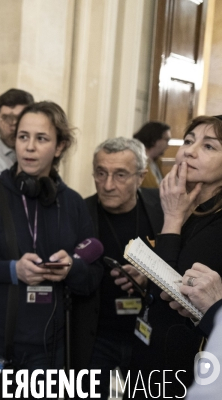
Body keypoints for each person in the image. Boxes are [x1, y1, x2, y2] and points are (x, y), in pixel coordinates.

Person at [0, 101, 101, 386]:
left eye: (41, 138)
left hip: (49, 353)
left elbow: (93, 277)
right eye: (23, 137)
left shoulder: (73, 204)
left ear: (59, 146)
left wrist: (71, 270)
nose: (29, 147)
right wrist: (12, 270)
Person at [135, 115, 222, 398]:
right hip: (154, 354)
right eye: (188, 141)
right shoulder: (190, 205)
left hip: (188, 369)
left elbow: (174, 293)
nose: (189, 151)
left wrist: (171, 218)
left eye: (209, 146)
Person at [71, 137, 163, 398]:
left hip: (147, 334)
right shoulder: (79, 213)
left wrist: (150, 277)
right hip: (95, 337)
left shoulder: (162, 211)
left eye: (120, 174)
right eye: (101, 173)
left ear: (141, 176)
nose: (108, 185)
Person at [133, 121, 171, 188]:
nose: (168, 145)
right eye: (167, 140)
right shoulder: (136, 162)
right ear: (155, 139)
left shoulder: (157, 162)